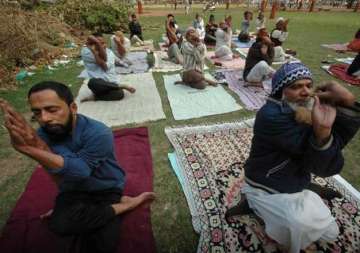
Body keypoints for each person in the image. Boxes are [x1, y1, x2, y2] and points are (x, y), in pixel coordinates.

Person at [0, 82, 156, 253]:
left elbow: (81, 171)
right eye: (37, 112)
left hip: (105, 187)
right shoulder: (44, 134)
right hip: (74, 189)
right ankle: (115, 208)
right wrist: (64, 199)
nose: (44, 118)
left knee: (102, 246)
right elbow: (55, 172)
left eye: (52, 110)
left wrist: (29, 148)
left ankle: (126, 204)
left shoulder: (98, 132)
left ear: (73, 107)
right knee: (59, 224)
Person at [226, 62, 360, 253]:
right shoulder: (272, 116)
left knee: (330, 232)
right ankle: (255, 205)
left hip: (295, 177)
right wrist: (322, 131)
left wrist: (348, 101)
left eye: (308, 85)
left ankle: (293, 200)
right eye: (295, 87)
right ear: (282, 91)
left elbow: (335, 143)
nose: (305, 91)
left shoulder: (308, 107)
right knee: (296, 226)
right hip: (267, 183)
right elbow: (321, 167)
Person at [81, 33, 136, 102]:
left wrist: (96, 49)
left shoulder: (109, 53)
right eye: (99, 44)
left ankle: (95, 97)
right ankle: (121, 86)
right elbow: (103, 62)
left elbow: (105, 66)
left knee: (120, 94)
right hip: (99, 84)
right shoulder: (86, 52)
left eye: (103, 43)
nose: (102, 46)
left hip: (111, 83)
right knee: (92, 82)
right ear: (93, 45)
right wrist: (95, 52)